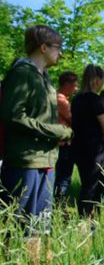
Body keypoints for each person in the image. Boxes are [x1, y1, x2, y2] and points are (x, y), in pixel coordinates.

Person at [0, 25, 73, 235]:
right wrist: (56, 131)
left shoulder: (45, 77)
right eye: (58, 47)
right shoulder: (22, 73)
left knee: (40, 228)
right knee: (15, 230)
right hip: (25, 162)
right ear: (43, 47)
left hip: (47, 160)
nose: (60, 52)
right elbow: (13, 116)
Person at [71, 64, 104, 218]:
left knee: (86, 185)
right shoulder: (95, 100)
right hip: (94, 149)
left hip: (78, 147)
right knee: (92, 187)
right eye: (102, 79)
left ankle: (88, 217)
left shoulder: (76, 99)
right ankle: (86, 220)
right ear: (97, 80)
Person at [54, 71, 79, 208]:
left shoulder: (55, 97)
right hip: (64, 144)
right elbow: (72, 120)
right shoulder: (61, 100)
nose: (76, 89)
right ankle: (60, 205)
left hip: (59, 143)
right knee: (64, 177)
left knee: (60, 176)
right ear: (67, 85)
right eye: (74, 85)